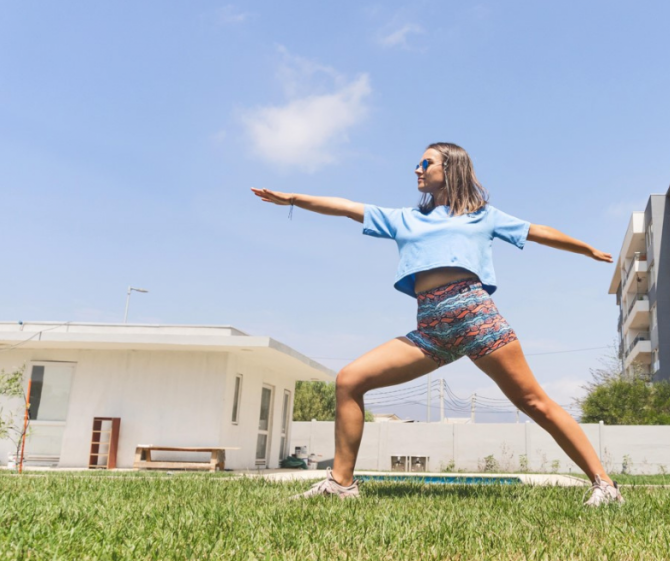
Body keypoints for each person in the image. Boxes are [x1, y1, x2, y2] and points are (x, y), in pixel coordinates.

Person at [250, 142, 624, 506]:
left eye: (426, 163)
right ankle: (341, 484)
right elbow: (348, 208)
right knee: (349, 380)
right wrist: (294, 198)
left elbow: (536, 231)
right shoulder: (405, 219)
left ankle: (605, 486)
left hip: (477, 317)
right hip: (431, 330)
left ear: (451, 169)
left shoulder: (482, 215)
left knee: (534, 402)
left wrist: (587, 248)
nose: (417, 169)